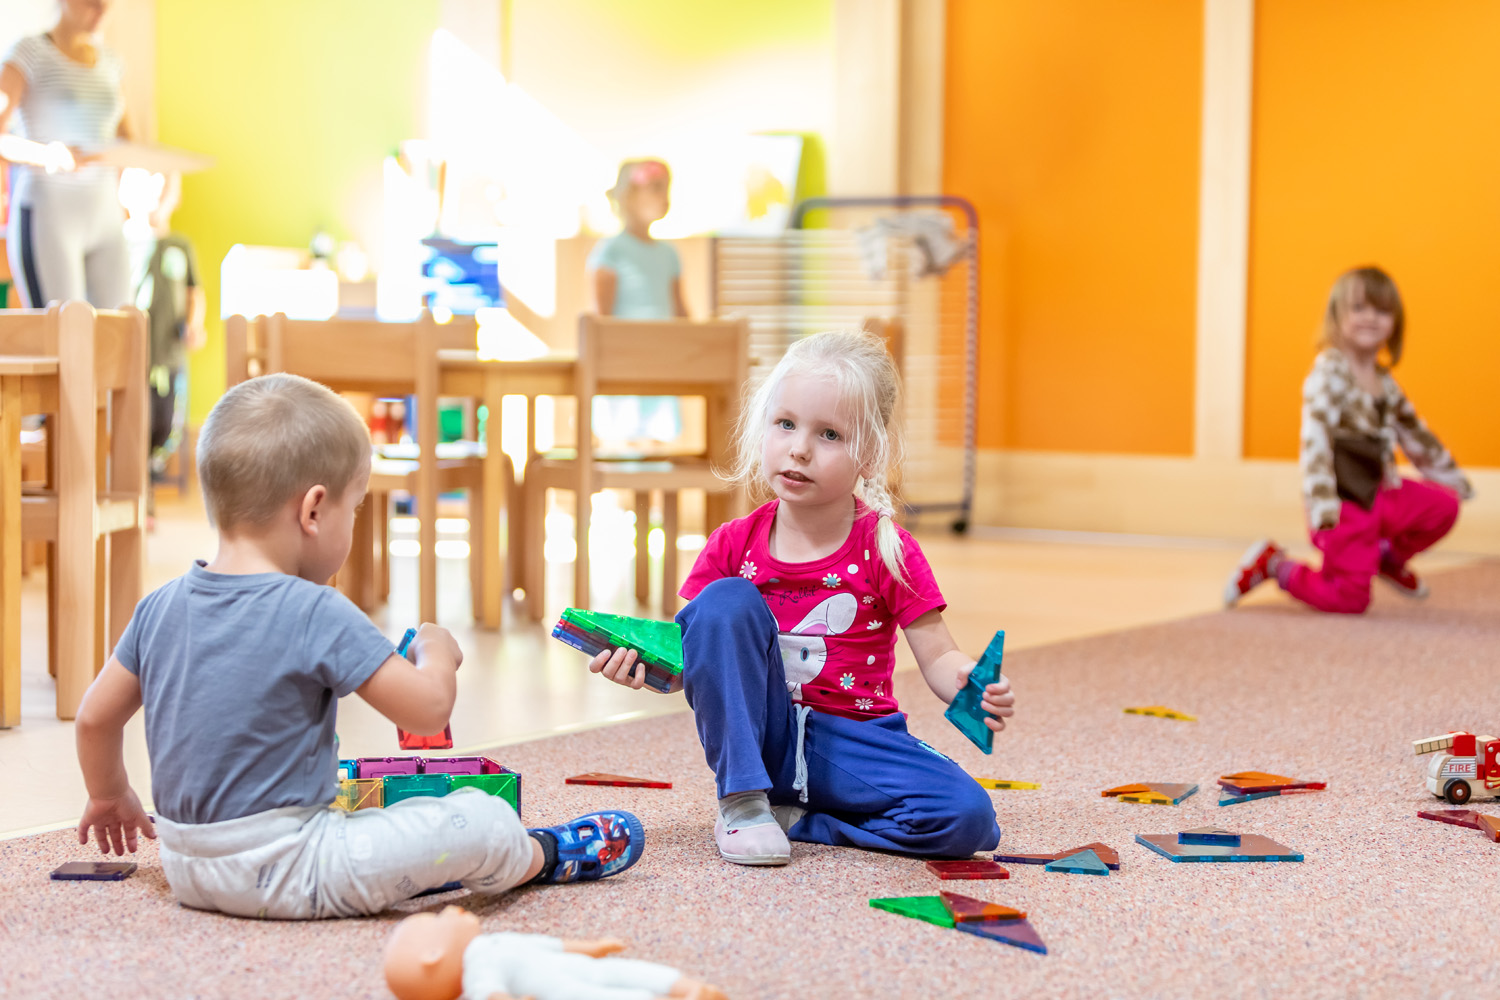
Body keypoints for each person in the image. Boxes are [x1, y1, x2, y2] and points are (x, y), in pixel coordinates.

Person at [71, 373, 646, 919]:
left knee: (375, 804)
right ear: (313, 510)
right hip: (293, 869)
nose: (353, 522)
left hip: (187, 868)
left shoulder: (159, 606)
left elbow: (95, 720)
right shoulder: (313, 609)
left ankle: (420, 863)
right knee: (482, 819)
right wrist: (436, 651)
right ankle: (544, 853)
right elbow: (427, 710)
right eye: (355, 508)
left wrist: (110, 794)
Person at [590, 330, 1013, 866]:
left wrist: (966, 681)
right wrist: (643, 668)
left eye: (829, 434)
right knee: (724, 601)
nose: (799, 449)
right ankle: (743, 804)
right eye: (786, 424)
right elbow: (699, 662)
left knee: (970, 820)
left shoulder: (888, 548)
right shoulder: (732, 543)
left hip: (853, 742)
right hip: (760, 740)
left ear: (869, 454)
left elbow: (939, 655)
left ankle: (800, 821)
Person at [1225, 266, 1473, 614]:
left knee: (1444, 506)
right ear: (1337, 317)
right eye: (1359, 308)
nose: (1370, 318)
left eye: (1382, 311)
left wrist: (1451, 478)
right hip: (1344, 501)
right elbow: (1315, 440)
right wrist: (1321, 504)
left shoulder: (1384, 381)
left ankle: (1386, 557)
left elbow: (1415, 433)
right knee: (1351, 598)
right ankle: (1275, 566)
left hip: (1382, 491)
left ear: (1395, 322)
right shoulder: (1329, 373)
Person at [0, 0, 132, 309]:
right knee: (65, 324)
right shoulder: (29, 53)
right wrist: (48, 155)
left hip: (105, 212)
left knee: (120, 325)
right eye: (92, 4)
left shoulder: (111, 63)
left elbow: (126, 136)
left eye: (107, 5)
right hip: (49, 212)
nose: (101, 12)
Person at [383, 906, 727, 1000]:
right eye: (438, 918)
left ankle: (686, 987)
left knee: (623, 971)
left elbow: (546, 945)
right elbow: (490, 994)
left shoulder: (490, 944)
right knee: (604, 995)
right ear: (433, 954)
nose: (450, 910)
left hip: (573, 963)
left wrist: (591, 948)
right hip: (563, 989)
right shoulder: (477, 966)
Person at [587, 159, 686, 451]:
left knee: (658, 446)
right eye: (655, 188)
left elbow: (681, 313)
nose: (663, 196)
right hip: (624, 366)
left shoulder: (669, 254)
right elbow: (601, 320)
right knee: (623, 445)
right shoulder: (611, 251)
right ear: (628, 196)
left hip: (662, 364)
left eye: (666, 188)